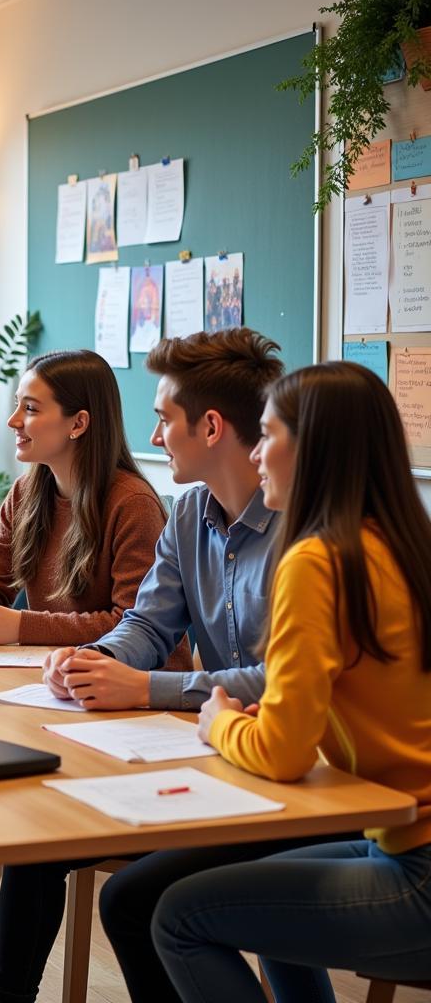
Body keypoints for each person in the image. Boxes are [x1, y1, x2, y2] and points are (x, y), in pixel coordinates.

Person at [0, 327, 286, 1003]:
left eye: (163, 420)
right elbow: (147, 623)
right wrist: (89, 662)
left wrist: (146, 686)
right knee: (38, 841)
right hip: (218, 748)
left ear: (210, 428)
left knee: (133, 900)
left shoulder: (301, 533)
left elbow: (286, 682)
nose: (154, 438)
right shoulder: (188, 517)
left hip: (292, 766)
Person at [151, 361, 431, 1003]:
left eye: (269, 435)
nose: (256, 452)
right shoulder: (400, 543)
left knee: (180, 917)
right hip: (396, 841)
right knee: (258, 896)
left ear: (311, 451)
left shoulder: (317, 559)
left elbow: (283, 755)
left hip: (417, 870)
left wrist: (220, 721)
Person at [0, 348, 188, 667]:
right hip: (61, 675)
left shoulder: (132, 504)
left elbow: (134, 625)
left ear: (78, 423)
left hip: (138, 688)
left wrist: (22, 626)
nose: (14, 420)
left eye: (31, 409)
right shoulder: (25, 493)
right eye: (17, 405)